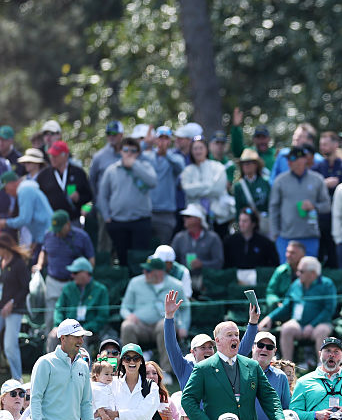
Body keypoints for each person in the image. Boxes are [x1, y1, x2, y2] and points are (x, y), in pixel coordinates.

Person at [180, 320, 287, 420]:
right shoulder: (204, 368)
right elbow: (188, 399)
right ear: (218, 341)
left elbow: (269, 395)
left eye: (236, 334)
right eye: (229, 335)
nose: (235, 338)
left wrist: (279, 417)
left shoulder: (252, 366)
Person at [259, 256, 337, 362]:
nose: (297, 273)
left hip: (320, 324)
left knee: (321, 331)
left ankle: (322, 367)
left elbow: (329, 310)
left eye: (301, 271)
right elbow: (286, 306)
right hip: (298, 323)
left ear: (313, 273)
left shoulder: (327, 285)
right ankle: (287, 365)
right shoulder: (295, 284)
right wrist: (270, 318)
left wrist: (312, 325)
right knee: (286, 328)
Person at [96, 137, 157, 266]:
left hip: (140, 220)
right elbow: (102, 195)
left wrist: (135, 165)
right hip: (118, 221)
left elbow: (152, 182)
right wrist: (107, 216)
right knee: (122, 259)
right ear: (120, 151)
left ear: (138, 153)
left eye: (133, 151)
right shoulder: (112, 170)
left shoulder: (145, 166)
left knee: (140, 259)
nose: (129, 153)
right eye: (126, 150)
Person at [120, 257, 188, 372]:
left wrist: (183, 326)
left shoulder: (176, 285)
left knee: (165, 326)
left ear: (160, 272)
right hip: (140, 325)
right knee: (127, 326)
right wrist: (128, 316)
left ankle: (166, 371)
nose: (144, 272)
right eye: (144, 270)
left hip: (161, 324)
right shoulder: (135, 283)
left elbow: (185, 308)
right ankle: (130, 369)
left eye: (148, 270)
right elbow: (124, 307)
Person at [268, 144, 330, 261]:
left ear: (304, 159)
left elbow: (327, 206)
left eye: (292, 158)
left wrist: (314, 206)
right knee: (287, 269)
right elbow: (273, 208)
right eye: (288, 159)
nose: (289, 162)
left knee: (308, 270)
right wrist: (275, 233)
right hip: (286, 237)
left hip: (310, 236)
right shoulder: (280, 181)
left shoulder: (317, 179)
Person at [35, 209, 95, 332]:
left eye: (60, 230)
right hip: (53, 281)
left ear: (67, 224)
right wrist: (39, 264)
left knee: (71, 320)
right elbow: (44, 251)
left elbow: (91, 260)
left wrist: (85, 277)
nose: (57, 233)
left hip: (73, 284)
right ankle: (50, 342)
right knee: (51, 319)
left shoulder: (82, 236)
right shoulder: (49, 235)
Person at [107, 344, 161, 420]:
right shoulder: (111, 384)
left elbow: (143, 416)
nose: (132, 362)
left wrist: (117, 414)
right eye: (127, 358)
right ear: (122, 361)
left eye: (136, 358)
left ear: (141, 361)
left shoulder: (151, 387)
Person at [238, 331, 291, 420]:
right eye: (260, 345)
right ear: (253, 347)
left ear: (275, 351)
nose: (264, 349)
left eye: (269, 347)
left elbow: (286, 409)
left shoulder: (281, 377)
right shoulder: (238, 371)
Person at [180, 138, 229, 235]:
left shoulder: (217, 167)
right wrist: (208, 186)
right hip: (195, 217)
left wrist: (197, 190)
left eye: (201, 148)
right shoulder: (187, 170)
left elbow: (219, 189)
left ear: (206, 149)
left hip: (217, 216)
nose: (198, 151)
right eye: (195, 148)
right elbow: (187, 190)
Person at [171, 204, 225, 286]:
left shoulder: (213, 238)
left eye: (188, 216)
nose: (184, 218)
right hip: (183, 280)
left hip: (207, 281)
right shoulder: (179, 238)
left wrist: (202, 264)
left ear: (198, 219)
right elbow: (172, 260)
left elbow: (219, 262)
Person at [0, 237, 29, 380]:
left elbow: (25, 288)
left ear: (4, 247)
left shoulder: (19, 264)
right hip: (1, 308)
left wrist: (12, 303)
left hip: (15, 310)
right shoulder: (2, 262)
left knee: (10, 346)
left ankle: (17, 380)